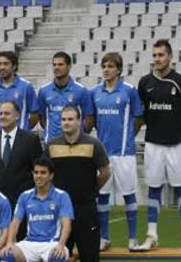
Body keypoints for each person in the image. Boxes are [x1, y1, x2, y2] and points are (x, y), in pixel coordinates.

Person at [136, 39, 181, 251]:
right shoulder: (144, 83)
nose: (157, 59)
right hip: (153, 144)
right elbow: (142, 114)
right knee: (154, 189)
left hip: (179, 144)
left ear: (170, 57)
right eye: (155, 55)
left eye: (161, 55)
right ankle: (151, 236)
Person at [90, 52, 143, 251]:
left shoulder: (130, 91)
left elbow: (138, 119)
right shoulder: (95, 92)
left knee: (129, 195)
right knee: (102, 196)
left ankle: (132, 238)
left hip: (124, 154)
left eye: (110, 66)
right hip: (103, 155)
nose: (106, 70)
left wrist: (127, 138)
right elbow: (92, 120)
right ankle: (104, 238)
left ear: (119, 70)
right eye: (104, 66)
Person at [46, 106, 110, 262]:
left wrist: (91, 191)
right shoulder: (51, 145)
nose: (66, 123)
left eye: (70, 119)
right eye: (63, 119)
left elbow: (105, 172)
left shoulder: (93, 144)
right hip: (60, 211)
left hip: (85, 209)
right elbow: (46, 174)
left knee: (89, 256)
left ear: (79, 121)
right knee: (58, 256)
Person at [3, 157, 73, 262]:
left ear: (51, 176)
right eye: (36, 172)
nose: (38, 176)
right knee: (7, 255)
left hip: (52, 243)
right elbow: (15, 223)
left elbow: (67, 224)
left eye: (43, 173)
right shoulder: (25, 196)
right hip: (30, 243)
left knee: (58, 257)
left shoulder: (62, 196)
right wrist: (9, 243)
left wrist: (61, 244)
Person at [0, 101, 43, 208]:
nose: (2, 117)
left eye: (7, 113)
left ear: (17, 116)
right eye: (0, 114)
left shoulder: (31, 140)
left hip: (24, 202)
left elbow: (39, 170)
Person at [37, 51, 94, 143]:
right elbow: (41, 117)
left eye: (60, 64)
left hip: (75, 143)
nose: (56, 67)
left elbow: (89, 119)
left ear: (69, 66)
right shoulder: (44, 91)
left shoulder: (81, 90)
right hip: (52, 142)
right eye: (54, 65)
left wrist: (79, 134)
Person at [0, 51, 39, 134]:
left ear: (14, 66)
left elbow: (34, 115)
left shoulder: (26, 86)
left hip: (21, 138)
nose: (2, 67)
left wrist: (23, 128)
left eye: (6, 64)